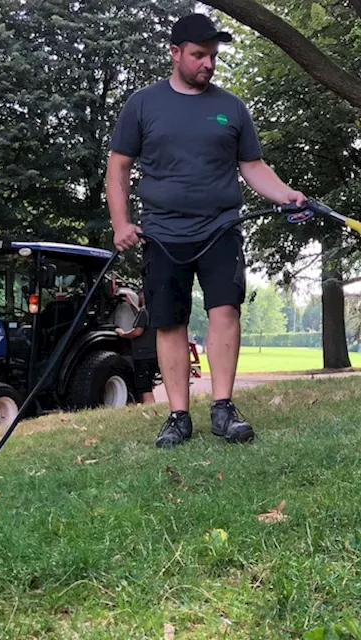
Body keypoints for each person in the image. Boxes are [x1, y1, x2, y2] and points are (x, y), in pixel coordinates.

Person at [105, 13, 305, 448]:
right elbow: (119, 166)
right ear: (175, 53)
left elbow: (252, 166)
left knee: (225, 311)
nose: (208, 64)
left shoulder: (231, 108)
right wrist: (121, 223)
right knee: (170, 322)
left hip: (221, 229)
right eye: (199, 55)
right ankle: (178, 416)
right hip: (161, 233)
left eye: (212, 56)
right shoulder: (142, 105)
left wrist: (286, 194)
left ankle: (223, 409)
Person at [116, 289, 158, 404]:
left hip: (143, 355)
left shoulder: (145, 311)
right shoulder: (154, 310)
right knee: (146, 384)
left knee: (145, 388)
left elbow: (137, 331)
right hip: (153, 354)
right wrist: (132, 304)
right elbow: (142, 316)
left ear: (143, 295)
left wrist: (123, 334)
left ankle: (151, 411)